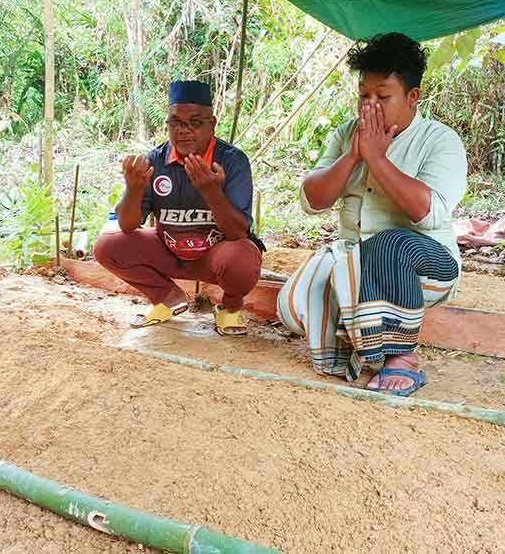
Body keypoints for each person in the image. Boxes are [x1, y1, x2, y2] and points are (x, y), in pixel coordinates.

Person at [277, 33, 467, 396]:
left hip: (427, 267)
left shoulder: (441, 141)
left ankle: (402, 358)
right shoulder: (347, 134)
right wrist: (355, 156)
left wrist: (378, 159)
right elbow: (312, 200)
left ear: (413, 97)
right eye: (364, 95)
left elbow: (426, 212)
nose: (370, 105)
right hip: (357, 263)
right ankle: (355, 337)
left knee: (388, 244)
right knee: (291, 303)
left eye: (383, 96)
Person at [94, 80, 262, 336]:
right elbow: (127, 225)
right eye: (176, 123)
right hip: (170, 251)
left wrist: (212, 192)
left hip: (214, 257)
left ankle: (229, 309)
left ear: (212, 124)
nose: (184, 131)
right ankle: (167, 298)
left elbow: (238, 232)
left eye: (194, 122)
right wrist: (133, 190)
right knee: (108, 246)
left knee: (243, 259)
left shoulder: (232, 161)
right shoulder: (154, 161)